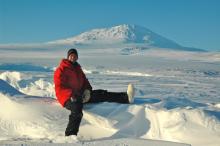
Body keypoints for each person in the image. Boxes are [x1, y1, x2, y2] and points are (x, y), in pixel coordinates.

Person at [54, 48, 135, 138]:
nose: (73, 57)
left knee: (101, 94)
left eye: (75, 56)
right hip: (67, 98)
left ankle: (126, 97)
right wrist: (71, 95)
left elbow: (85, 82)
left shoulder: (78, 69)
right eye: (71, 55)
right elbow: (59, 86)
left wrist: (87, 90)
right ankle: (70, 136)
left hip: (81, 95)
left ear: (77, 58)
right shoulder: (61, 69)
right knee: (77, 110)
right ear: (68, 57)